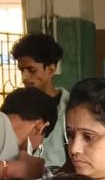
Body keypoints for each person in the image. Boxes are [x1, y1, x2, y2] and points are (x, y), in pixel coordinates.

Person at [12, 32, 70, 169]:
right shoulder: (14, 107)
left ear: (51, 69)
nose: (25, 77)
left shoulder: (70, 107)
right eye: (22, 70)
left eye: (31, 70)